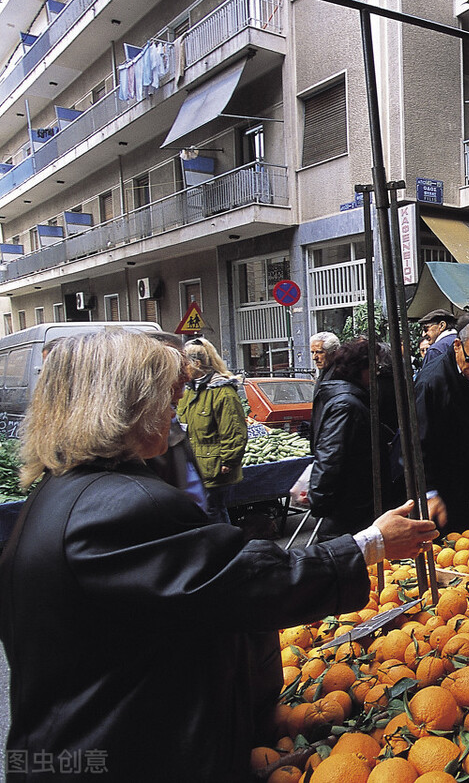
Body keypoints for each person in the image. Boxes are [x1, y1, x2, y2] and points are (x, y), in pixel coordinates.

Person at [0, 330, 439, 781]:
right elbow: (244, 582)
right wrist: (370, 543)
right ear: (123, 406)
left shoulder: (62, 494)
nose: (175, 413)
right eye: (165, 398)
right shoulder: (120, 506)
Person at [307, 338, 403, 540]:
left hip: (353, 507)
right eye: (373, 367)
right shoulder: (346, 405)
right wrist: (320, 502)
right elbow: (330, 457)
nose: (376, 373)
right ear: (359, 369)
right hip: (347, 512)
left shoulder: (351, 399)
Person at [414, 320, 469, 535]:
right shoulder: (431, 382)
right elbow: (417, 441)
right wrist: (430, 493)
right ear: (456, 345)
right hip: (446, 489)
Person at [177, 337, 247, 524]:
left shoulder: (222, 392)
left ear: (197, 364)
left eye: (185, 365)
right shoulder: (189, 391)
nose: (182, 370)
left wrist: (228, 461)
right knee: (209, 511)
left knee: (212, 511)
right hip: (195, 465)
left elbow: (234, 431)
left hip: (215, 467)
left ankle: (224, 548)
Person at [144, 332, 207, 511]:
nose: (187, 377)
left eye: (185, 366)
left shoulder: (170, 416)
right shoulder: (144, 429)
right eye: (176, 368)